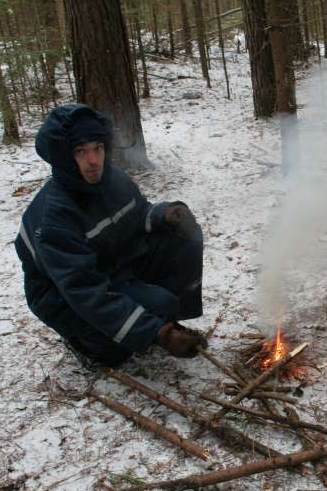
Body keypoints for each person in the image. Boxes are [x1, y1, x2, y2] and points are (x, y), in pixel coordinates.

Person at [15, 103, 206, 369]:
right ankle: (88, 344)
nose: (93, 161)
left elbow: (139, 216)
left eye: (98, 148)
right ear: (63, 157)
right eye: (80, 152)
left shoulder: (113, 179)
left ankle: (162, 321)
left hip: (112, 267)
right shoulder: (55, 219)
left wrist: (166, 215)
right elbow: (85, 291)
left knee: (183, 237)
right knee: (116, 352)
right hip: (63, 297)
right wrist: (157, 334)